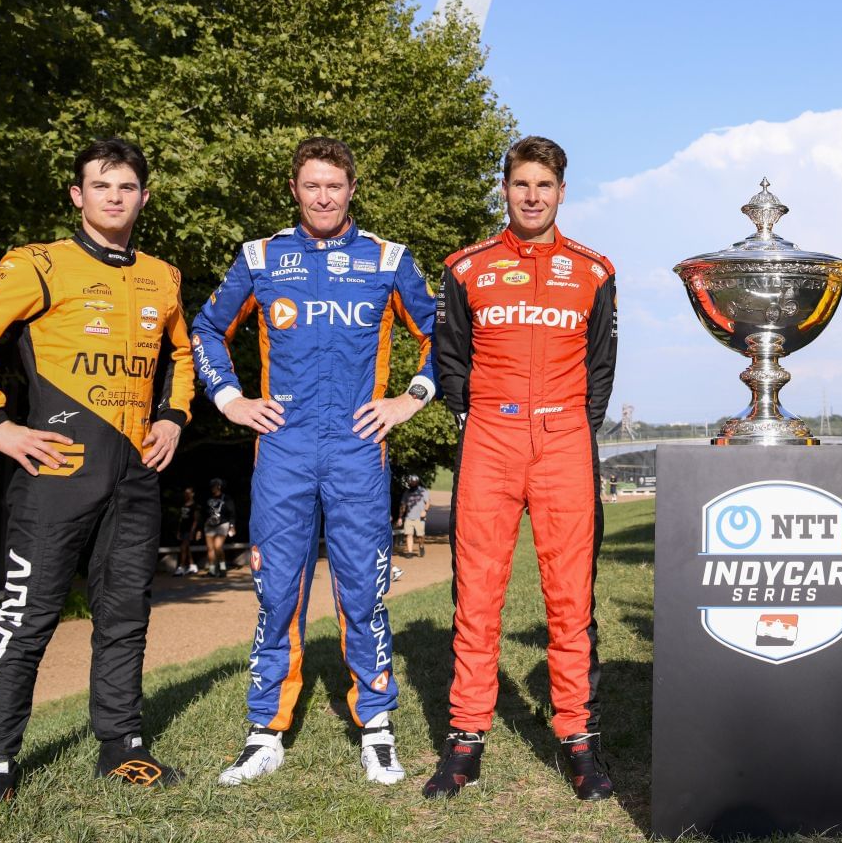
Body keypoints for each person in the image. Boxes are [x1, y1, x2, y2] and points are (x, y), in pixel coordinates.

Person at [0, 138, 193, 802]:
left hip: (133, 477)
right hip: (56, 473)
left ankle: (122, 746)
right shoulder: (36, 265)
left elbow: (182, 357)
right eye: (100, 186)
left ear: (143, 197)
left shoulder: (163, 276)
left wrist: (173, 417)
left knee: (126, 614)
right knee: (27, 617)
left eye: (127, 186)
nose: (114, 196)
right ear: (78, 195)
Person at [191, 137, 440, 787]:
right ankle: (265, 732)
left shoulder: (388, 259)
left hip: (359, 451)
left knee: (364, 593)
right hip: (284, 450)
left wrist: (410, 399)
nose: (324, 197)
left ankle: (377, 728)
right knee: (278, 595)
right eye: (312, 186)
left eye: (334, 185)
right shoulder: (262, 257)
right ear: (295, 190)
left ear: (351, 188)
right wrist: (230, 399)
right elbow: (206, 329)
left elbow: (443, 336)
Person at [423, 136, 618, 803]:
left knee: (571, 603)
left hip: (563, 438)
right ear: (504, 190)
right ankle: (465, 740)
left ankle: (578, 742)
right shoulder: (467, 267)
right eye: (521, 185)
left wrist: (571, 428)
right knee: (477, 598)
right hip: (491, 438)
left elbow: (600, 370)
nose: (532, 196)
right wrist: (472, 419)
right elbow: (449, 356)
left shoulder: (593, 271)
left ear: (562, 192)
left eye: (545, 185)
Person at [200, 478, 237, 576]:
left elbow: (232, 512)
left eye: (214, 486)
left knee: (218, 546)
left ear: (219, 486)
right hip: (209, 524)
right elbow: (203, 512)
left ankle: (222, 568)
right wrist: (201, 527)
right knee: (210, 548)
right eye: (211, 486)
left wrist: (232, 526)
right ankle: (212, 570)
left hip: (223, 524)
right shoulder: (208, 498)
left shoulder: (226, 498)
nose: (212, 488)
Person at [399, 474, 430, 558]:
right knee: (409, 534)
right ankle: (410, 552)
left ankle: (421, 546)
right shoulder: (406, 493)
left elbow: (427, 503)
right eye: (411, 482)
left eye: (414, 482)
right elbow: (403, 506)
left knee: (420, 536)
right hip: (409, 517)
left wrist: (425, 511)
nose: (412, 484)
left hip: (419, 518)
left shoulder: (423, 491)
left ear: (417, 482)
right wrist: (400, 517)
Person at [175, 486, 200, 576]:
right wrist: (178, 530)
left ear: (192, 494)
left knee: (183, 547)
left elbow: (196, 520)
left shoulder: (195, 506)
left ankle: (181, 567)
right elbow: (181, 518)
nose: (187, 494)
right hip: (183, 529)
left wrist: (193, 531)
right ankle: (192, 565)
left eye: (189, 492)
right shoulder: (183, 504)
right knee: (187, 548)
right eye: (185, 493)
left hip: (189, 530)